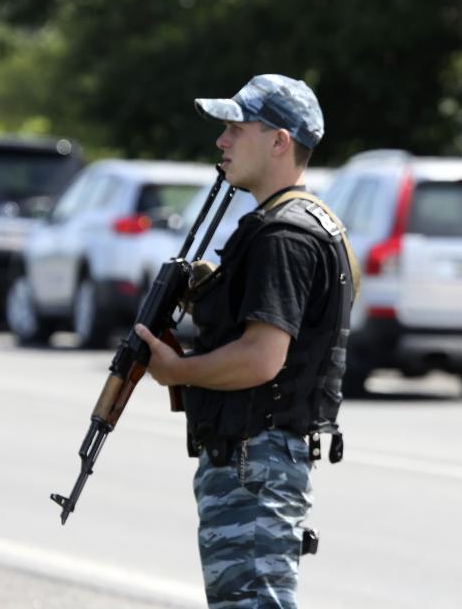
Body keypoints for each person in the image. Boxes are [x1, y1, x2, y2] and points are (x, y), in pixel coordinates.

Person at [135, 74, 357, 608]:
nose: (222, 141)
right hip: (255, 459)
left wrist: (176, 371)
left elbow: (262, 358)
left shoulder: (283, 234)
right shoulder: (304, 221)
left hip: (254, 462)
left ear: (279, 141)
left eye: (236, 128)